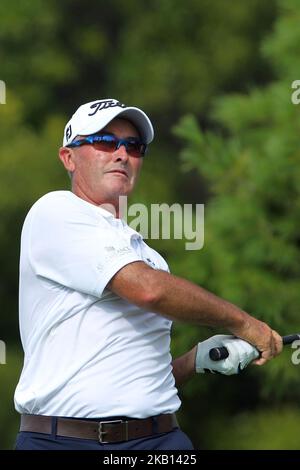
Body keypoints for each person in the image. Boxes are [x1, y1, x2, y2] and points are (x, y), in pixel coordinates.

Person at [14, 98, 282, 451]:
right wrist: (245, 323)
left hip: (160, 440)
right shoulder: (54, 212)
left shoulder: (149, 257)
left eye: (134, 146)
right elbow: (149, 291)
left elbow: (136, 379)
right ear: (69, 157)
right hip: (63, 442)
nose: (122, 154)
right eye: (106, 142)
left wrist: (195, 361)